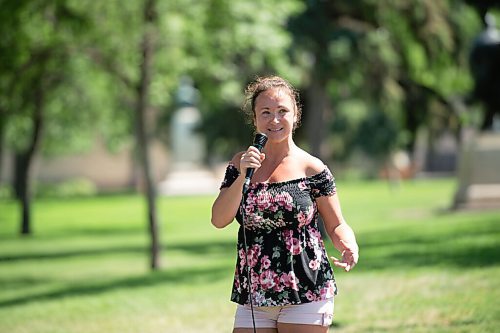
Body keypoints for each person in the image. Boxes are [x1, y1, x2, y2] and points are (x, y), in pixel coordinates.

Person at [211, 75, 359, 333]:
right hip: (254, 292)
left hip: (307, 289)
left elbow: (336, 224)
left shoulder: (313, 168)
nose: (275, 119)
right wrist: (243, 174)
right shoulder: (239, 164)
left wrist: (349, 243)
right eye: (265, 112)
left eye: (282, 111)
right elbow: (219, 219)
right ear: (255, 118)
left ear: (295, 115)